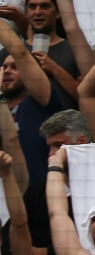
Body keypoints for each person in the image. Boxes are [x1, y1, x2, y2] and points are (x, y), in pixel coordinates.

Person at [0, 14, 64, 182]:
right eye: (3, 67)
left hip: (39, 194)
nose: (6, 71)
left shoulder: (41, 101)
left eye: (14, 67)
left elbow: (20, 52)